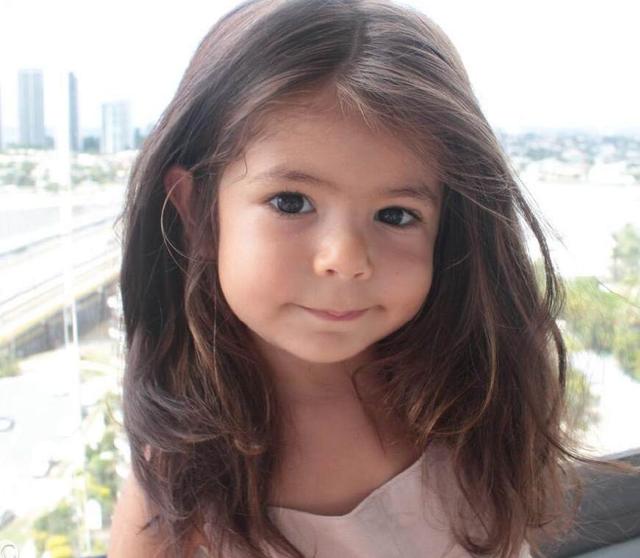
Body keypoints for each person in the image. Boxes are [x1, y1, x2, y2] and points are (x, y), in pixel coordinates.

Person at [107, 1, 639, 557]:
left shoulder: (472, 398)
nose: (346, 259)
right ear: (197, 212)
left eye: (395, 215)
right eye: (291, 202)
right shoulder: (177, 484)